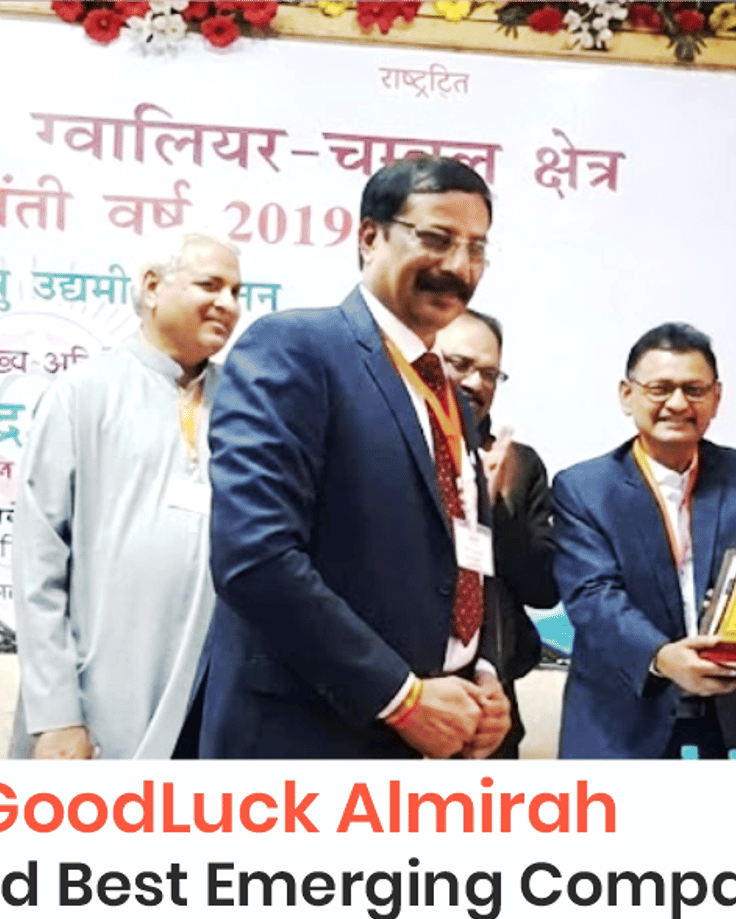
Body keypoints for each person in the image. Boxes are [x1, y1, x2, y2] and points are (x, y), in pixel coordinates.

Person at [200, 154, 512, 759]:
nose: (459, 266)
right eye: (436, 239)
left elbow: (464, 552)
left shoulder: (450, 395)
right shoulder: (296, 349)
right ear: (370, 237)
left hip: (432, 736)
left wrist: (483, 672)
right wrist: (400, 698)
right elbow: (254, 558)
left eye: (477, 247)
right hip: (303, 742)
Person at [11, 233, 242, 760]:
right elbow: (38, 565)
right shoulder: (81, 393)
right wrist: (56, 714)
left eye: (236, 291)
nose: (227, 304)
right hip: (100, 692)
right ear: (152, 288)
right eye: (210, 285)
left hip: (216, 689)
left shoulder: (247, 400)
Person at [550, 322, 736, 759]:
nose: (678, 403)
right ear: (627, 395)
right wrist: (662, 656)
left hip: (731, 713)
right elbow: (592, 597)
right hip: (624, 718)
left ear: (716, 397)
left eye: (694, 390)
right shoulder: (584, 488)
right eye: (660, 389)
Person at [433, 308, 558, 759]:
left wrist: (494, 511)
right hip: (402, 694)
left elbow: (543, 589)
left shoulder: (517, 465)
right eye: (460, 365)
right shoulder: (383, 446)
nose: (475, 383)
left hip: (490, 701)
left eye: (490, 374)